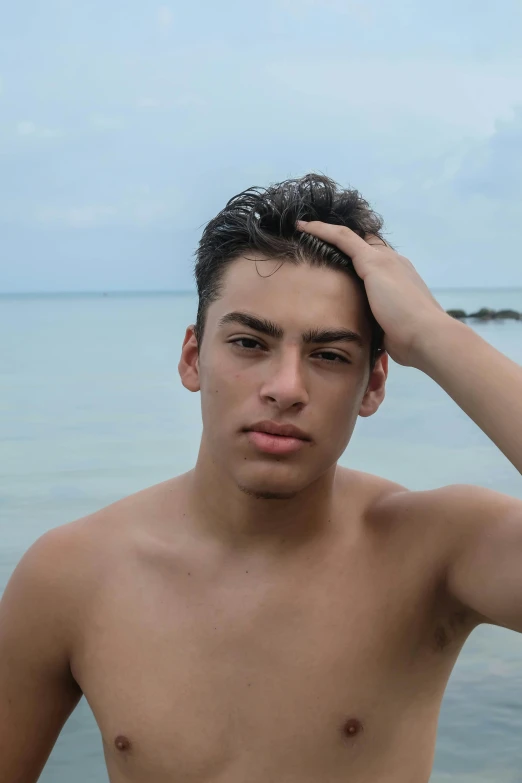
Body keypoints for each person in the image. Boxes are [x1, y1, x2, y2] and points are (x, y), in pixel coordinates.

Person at [1, 173, 521, 783]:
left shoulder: (435, 552)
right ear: (194, 358)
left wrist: (435, 334)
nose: (286, 388)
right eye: (250, 343)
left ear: (373, 385)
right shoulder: (72, 574)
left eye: (329, 355)